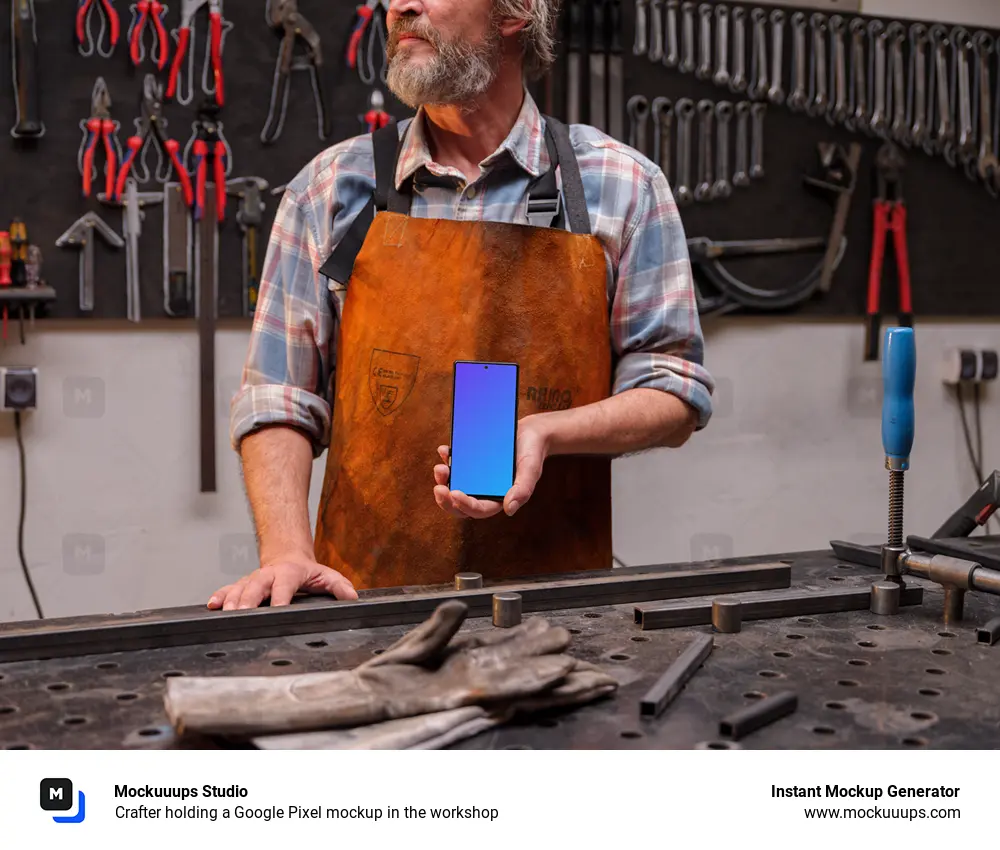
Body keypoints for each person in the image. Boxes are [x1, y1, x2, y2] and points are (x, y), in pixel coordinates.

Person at [210, 0, 714, 611]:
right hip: (363, 609)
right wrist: (288, 552)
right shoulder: (328, 190)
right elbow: (280, 398)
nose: (399, 6)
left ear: (514, 13)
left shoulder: (621, 185)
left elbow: (674, 390)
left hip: (561, 612)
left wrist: (546, 432)